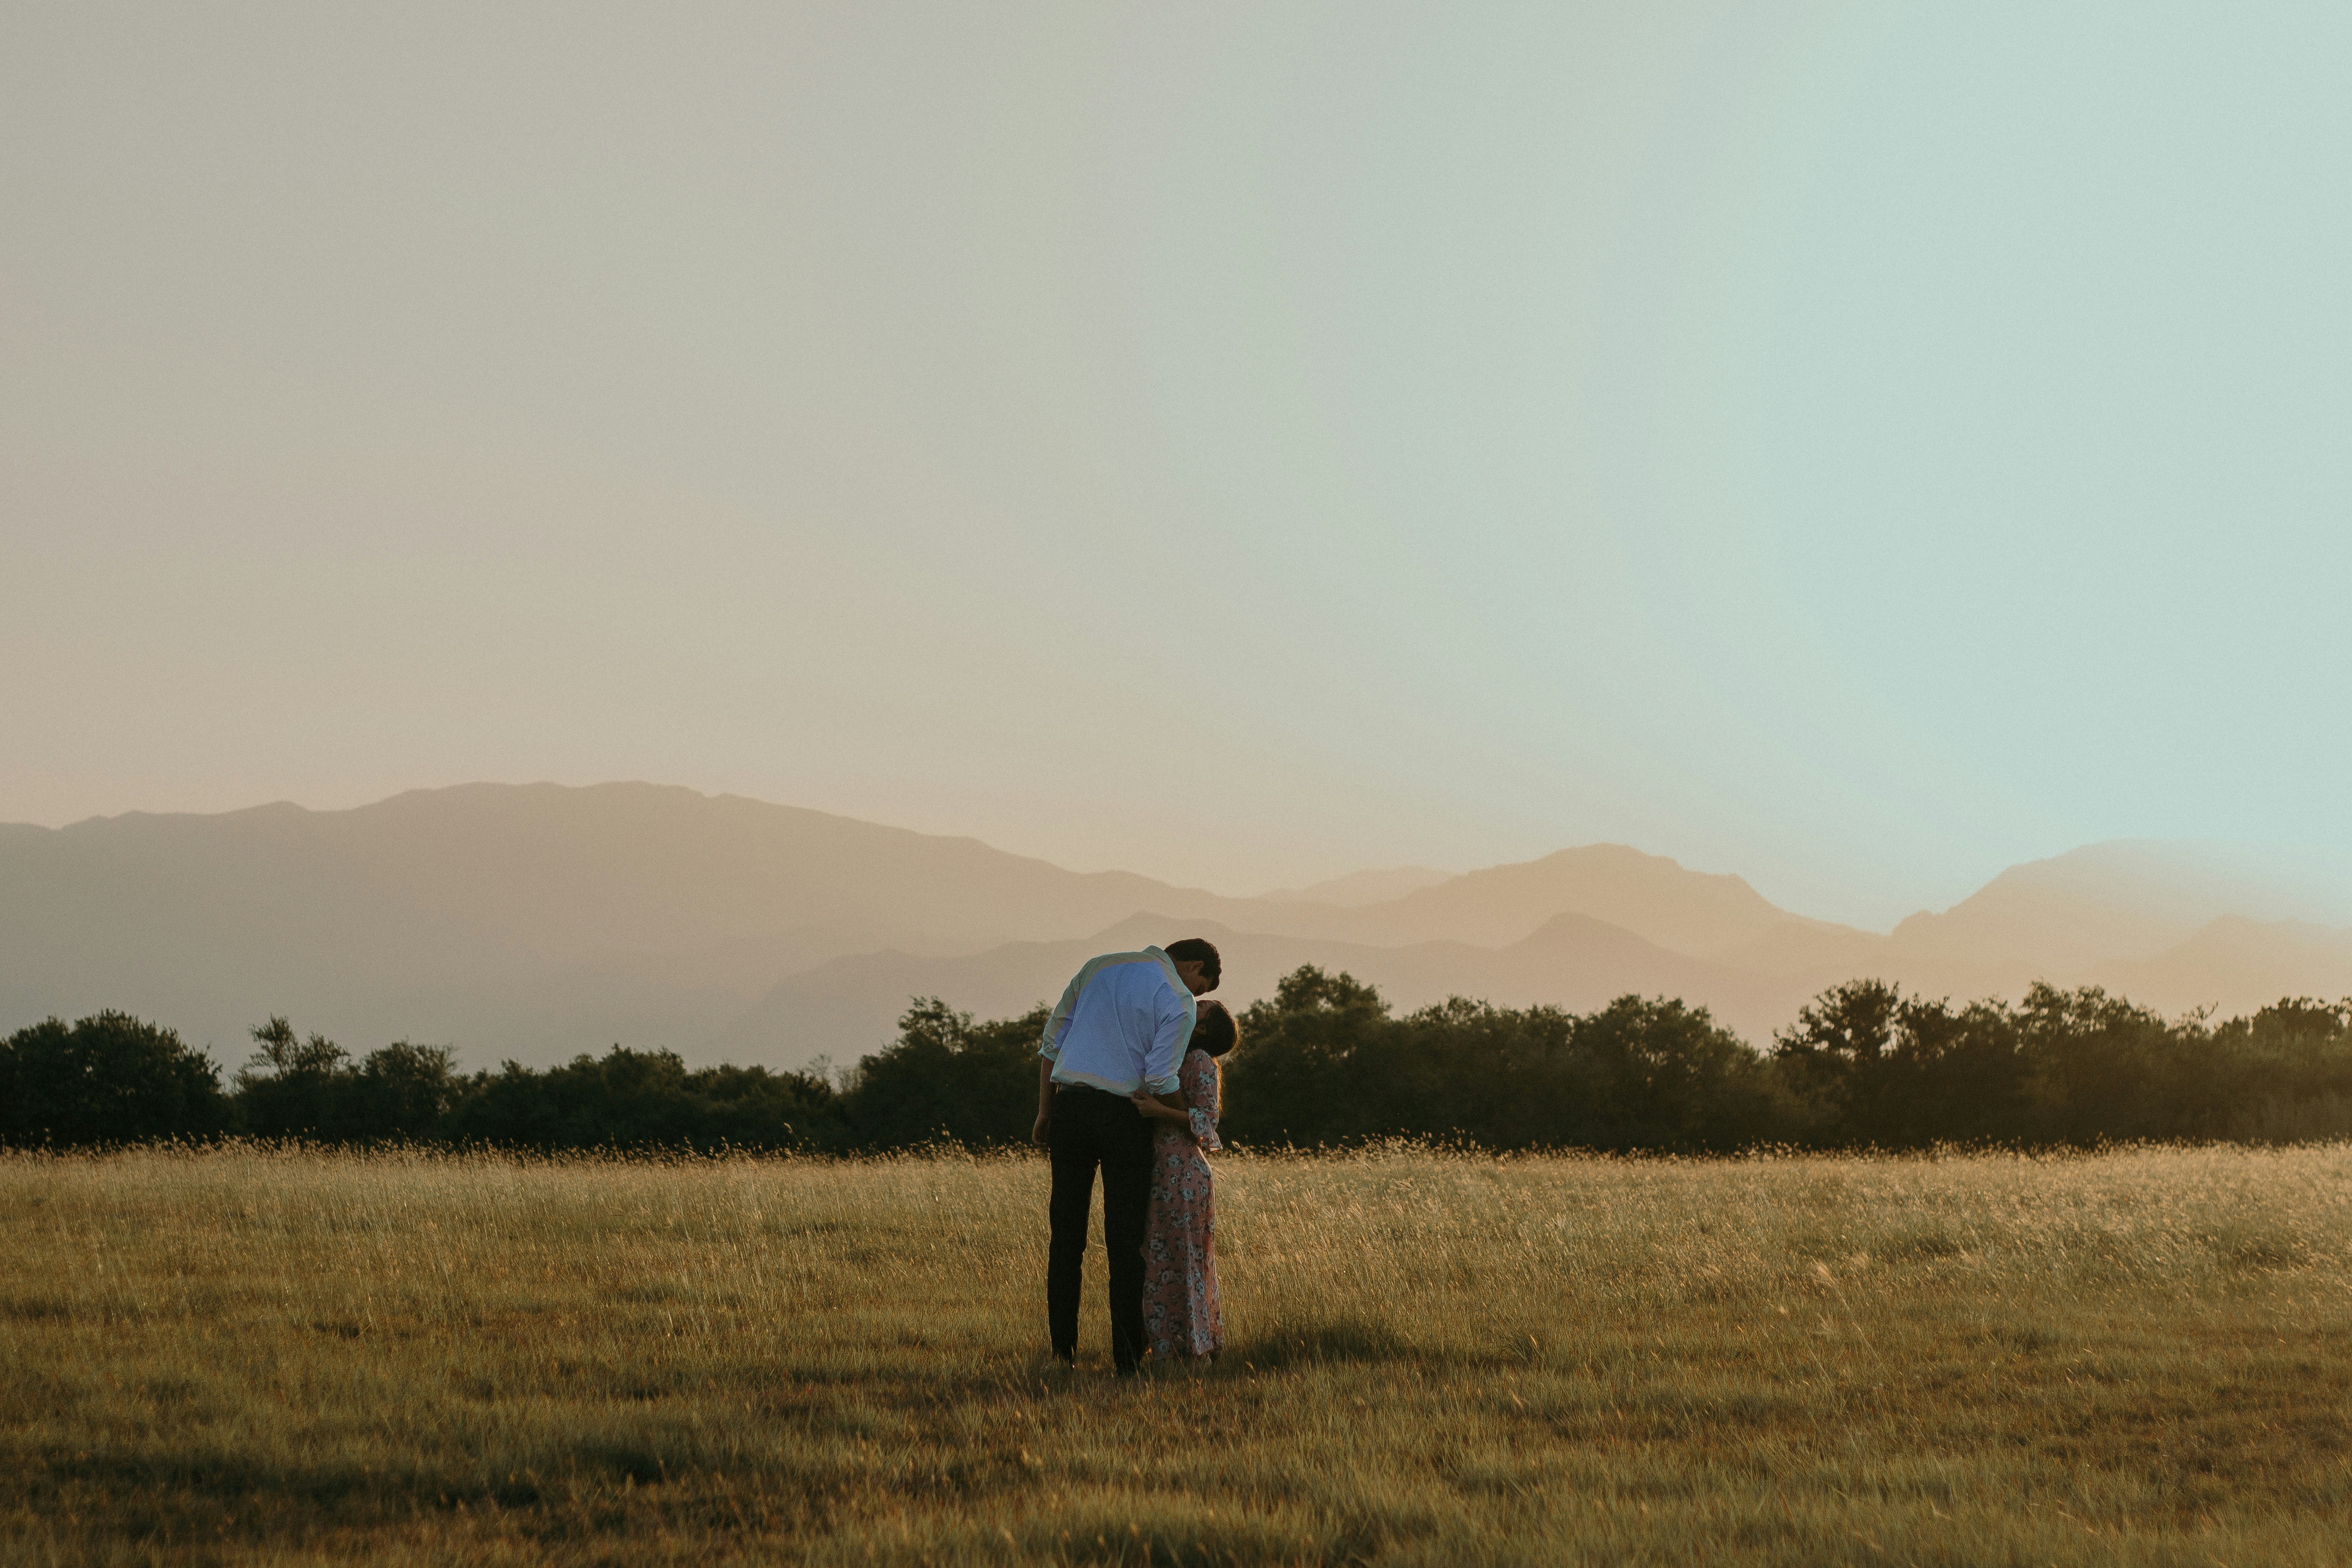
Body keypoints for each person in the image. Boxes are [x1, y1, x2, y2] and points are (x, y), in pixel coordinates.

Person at [1033, 937, 1220, 1373]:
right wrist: (1180, 1116)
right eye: (1202, 987)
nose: (1197, 999)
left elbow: (1050, 1043)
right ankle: (1126, 1360)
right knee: (1125, 1243)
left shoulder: (1099, 964)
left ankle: (1063, 1354)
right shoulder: (1177, 998)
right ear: (1193, 966)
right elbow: (1159, 1073)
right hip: (1124, 1117)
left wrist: (1045, 1110)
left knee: (1065, 1239)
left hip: (1070, 1108)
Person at [1132, 998, 1235, 1365]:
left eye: (1201, 1007)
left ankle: (1193, 1351)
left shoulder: (1202, 1062)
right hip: (1161, 1169)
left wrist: (1160, 1111)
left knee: (1184, 1261)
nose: (1191, 1005)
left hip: (1185, 1175)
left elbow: (1208, 1122)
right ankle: (1165, 1347)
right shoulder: (1170, 1054)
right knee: (1160, 1260)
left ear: (1203, 1027)